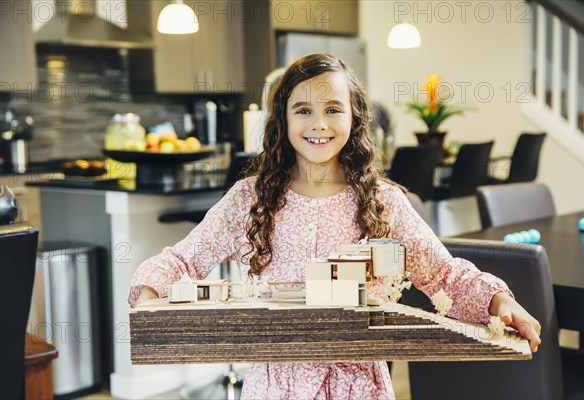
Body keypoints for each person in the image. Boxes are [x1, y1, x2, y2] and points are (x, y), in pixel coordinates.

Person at [128, 54, 541, 399]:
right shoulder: (248, 199)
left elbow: (444, 275)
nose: (318, 124)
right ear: (282, 120)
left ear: (354, 116)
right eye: (303, 110)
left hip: (359, 386)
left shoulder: (383, 201)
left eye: (332, 109)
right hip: (275, 386)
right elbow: (182, 259)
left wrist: (497, 301)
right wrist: (150, 292)